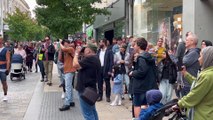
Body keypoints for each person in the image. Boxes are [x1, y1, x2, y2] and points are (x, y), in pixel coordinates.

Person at [173, 46, 213, 120]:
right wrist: (185, 73)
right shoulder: (208, 73)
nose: (198, 59)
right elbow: (197, 83)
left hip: (202, 116)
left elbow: (195, 94)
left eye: (200, 56)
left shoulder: (207, 75)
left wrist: (179, 104)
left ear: (207, 58)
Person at [129, 37, 158, 118]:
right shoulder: (149, 56)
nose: (133, 47)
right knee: (144, 105)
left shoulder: (141, 58)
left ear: (138, 46)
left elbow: (141, 71)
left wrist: (133, 73)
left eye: (135, 45)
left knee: (137, 105)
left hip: (140, 86)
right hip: (148, 86)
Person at [73, 43, 101, 120]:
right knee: (92, 111)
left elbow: (75, 64)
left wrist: (76, 54)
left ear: (88, 50)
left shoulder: (90, 59)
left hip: (85, 90)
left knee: (88, 114)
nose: (83, 50)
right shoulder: (95, 58)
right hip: (90, 89)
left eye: (85, 49)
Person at [59, 39, 76, 111]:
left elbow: (63, 48)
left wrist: (60, 43)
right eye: (63, 43)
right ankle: (71, 101)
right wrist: (61, 51)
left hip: (70, 70)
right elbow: (60, 59)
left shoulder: (71, 48)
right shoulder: (65, 50)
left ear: (68, 43)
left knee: (67, 87)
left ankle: (67, 104)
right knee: (70, 87)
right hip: (67, 70)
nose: (64, 44)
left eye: (65, 43)